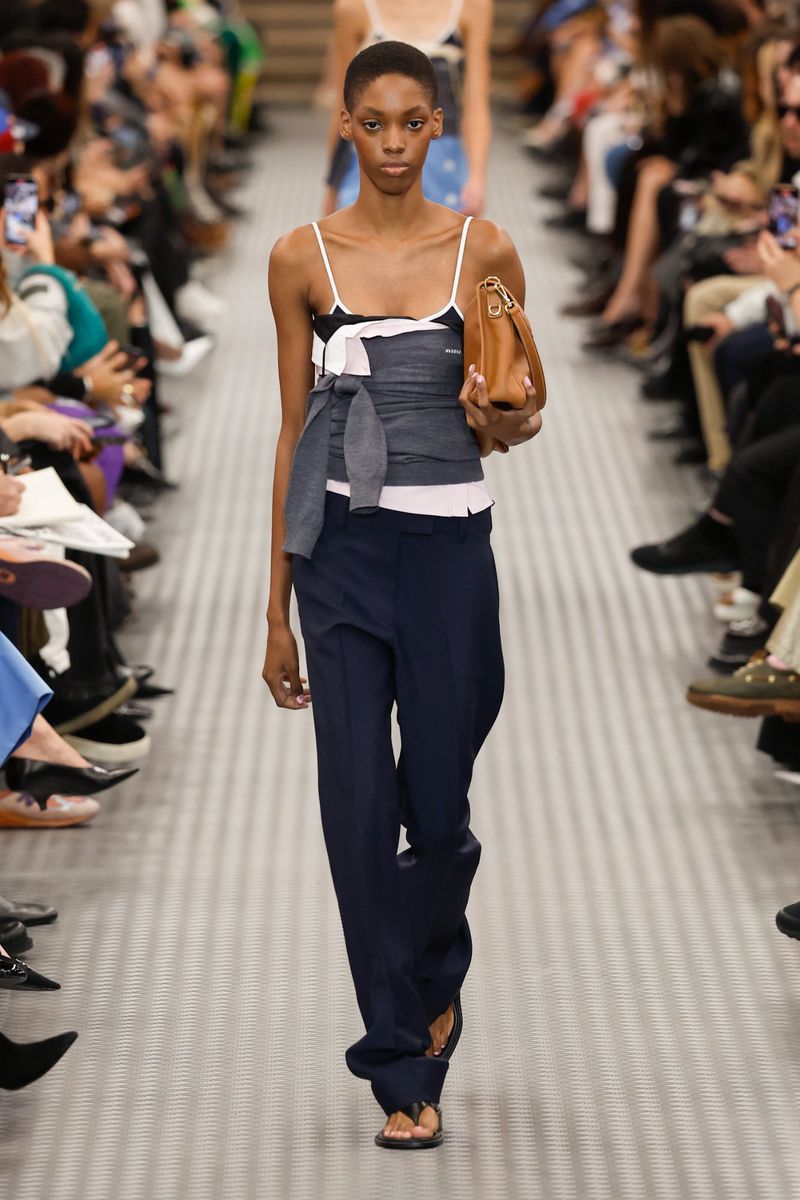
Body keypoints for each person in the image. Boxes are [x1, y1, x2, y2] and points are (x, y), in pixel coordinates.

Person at [263, 40, 542, 1149]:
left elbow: (519, 409)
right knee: (355, 811)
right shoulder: (299, 257)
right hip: (337, 553)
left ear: (437, 128)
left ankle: (434, 973)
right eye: (370, 123)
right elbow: (291, 433)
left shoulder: (483, 249)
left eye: (409, 123)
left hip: (448, 555)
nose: (390, 143)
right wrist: (273, 606)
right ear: (344, 124)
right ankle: (399, 1063)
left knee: (439, 812)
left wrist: (503, 415)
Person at [323, 0, 492, 215]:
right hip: (369, 161)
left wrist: (476, 178)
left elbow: (476, 105)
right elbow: (345, 105)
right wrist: (332, 186)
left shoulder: (472, 5)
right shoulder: (352, 7)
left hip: (443, 161)